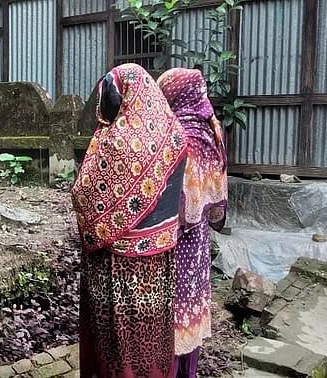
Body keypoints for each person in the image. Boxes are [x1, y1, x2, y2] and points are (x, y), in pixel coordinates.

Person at [72, 63, 188, 378]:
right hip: (160, 259)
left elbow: (84, 194)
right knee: (152, 331)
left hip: (117, 262)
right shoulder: (174, 132)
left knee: (119, 335)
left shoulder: (114, 140)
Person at [157, 68, 228, 378]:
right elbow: (214, 204)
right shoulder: (210, 129)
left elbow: (182, 200)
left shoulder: (181, 137)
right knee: (190, 303)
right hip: (198, 239)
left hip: (178, 238)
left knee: (173, 311)